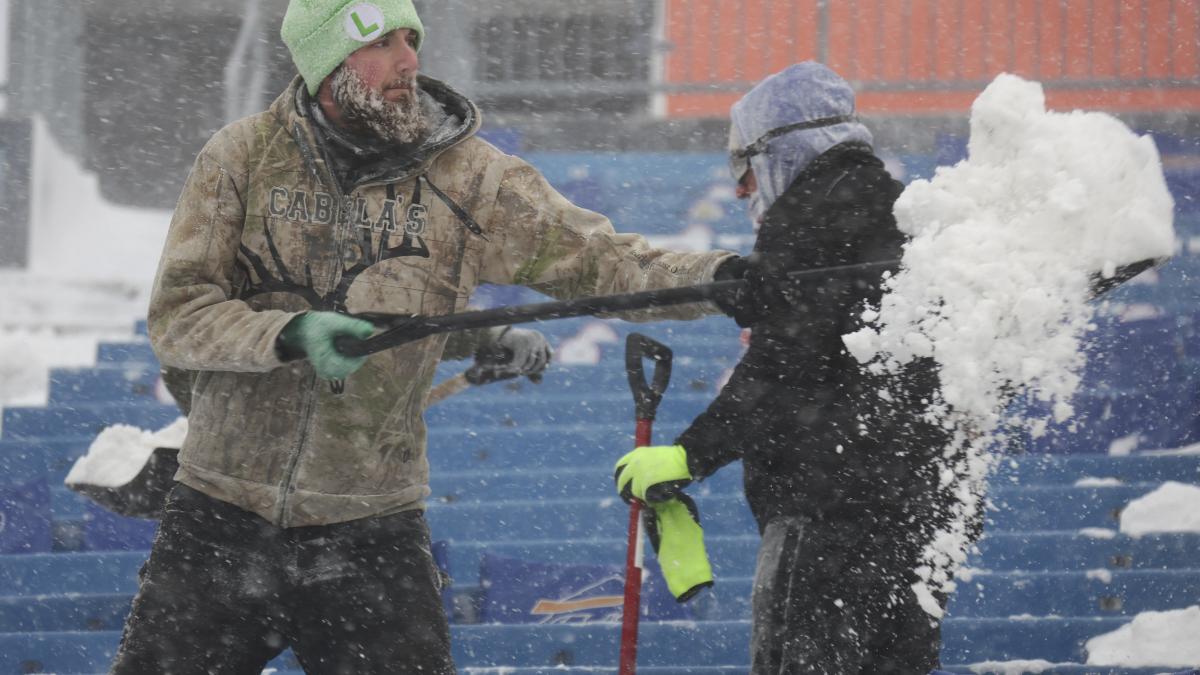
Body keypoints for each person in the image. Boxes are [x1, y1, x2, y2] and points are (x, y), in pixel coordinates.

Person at [117, 1, 736, 672]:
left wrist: (722, 279)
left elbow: (610, 263)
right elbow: (179, 316)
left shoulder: (471, 180)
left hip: (371, 523)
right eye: (382, 42)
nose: (409, 60)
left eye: (411, 39)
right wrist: (289, 332)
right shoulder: (242, 157)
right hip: (219, 513)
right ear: (328, 62)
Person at [613, 62, 959, 674]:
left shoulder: (807, 217)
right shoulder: (898, 212)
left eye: (743, 166)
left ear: (780, 149)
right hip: (912, 519)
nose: (743, 189)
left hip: (827, 515)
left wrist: (690, 455)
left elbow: (786, 367)